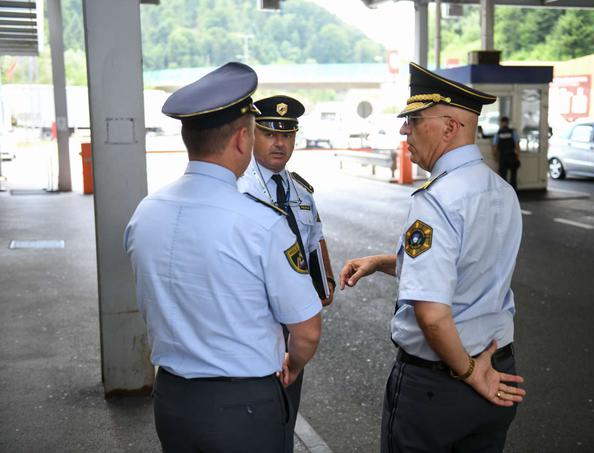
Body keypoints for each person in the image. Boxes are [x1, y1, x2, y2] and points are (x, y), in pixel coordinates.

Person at [124, 62, 322, 453]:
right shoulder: (261, 223)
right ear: (241, 141)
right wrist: (294, 365)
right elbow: (307, 331)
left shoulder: (145, 212)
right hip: (244, 408)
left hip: (173, 400)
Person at [340, 62, 526, 453]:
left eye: (414, 119)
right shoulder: (501, 190)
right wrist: (381, 261)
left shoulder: (437, 199)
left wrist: (469, 372)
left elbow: (432, 313)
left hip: (444, 382)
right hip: (499, 370)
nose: (405, 129)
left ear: (449, 127)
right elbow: (463, 267)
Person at [238, 95, 335, 430]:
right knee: (253, 418)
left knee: (285, 414)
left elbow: (314, 242)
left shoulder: (301, 193)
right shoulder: (238, 189)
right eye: (269, 133)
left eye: (287, 135)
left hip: (293, 325)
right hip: (253, 323)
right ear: (251, 134)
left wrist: (324, 285)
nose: (280, 143)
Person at [492, 116, 521, 190]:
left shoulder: (498, 133)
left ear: (501, 123)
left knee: (503, 176)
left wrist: (495, 157)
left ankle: (505, 191)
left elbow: (495, 146)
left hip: (503, 157)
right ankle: (514, 191)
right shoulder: (513, 132)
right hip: (512, 156)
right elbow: (517, 145)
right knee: (513, 176)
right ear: (508, 123)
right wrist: (518, 157)